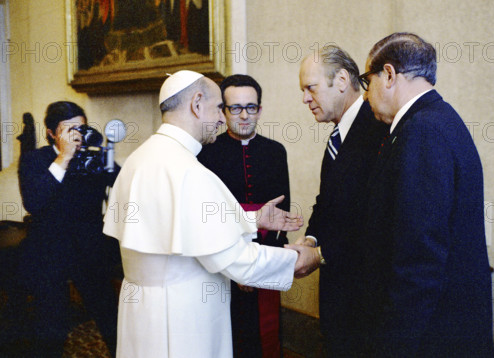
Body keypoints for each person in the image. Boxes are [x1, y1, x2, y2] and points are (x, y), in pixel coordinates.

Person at [103, 70, 307, 358]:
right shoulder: (189, 170)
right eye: (217, 108)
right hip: (183, 316)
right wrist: (299, 259)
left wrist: (252, 219)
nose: (223, 118)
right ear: (197, 104)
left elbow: (186, 222)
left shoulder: (139, 158)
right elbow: (236, 261)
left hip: (141, 312)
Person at [360, 32, 494, 357]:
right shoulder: (441, 119)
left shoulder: (422, 130)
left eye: (368, 81)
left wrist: (393, 346)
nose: (365, 96)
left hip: (431, 336)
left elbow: (420, 258)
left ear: (389, 75)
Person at [287, 45, 387, 357]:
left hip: (366, 307)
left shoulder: (377, 129)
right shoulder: (340, 133)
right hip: (338, 302)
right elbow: (327, 199)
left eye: (310, 88)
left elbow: (377, 221)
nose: (305, 99)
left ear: (342, 79)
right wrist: (311, 239)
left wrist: (319, 255)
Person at [17, 101, 120, 357]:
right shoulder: (34, 160)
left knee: (111, 320)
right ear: (51, 132)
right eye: (69, 129)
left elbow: (124, 186)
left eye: (81, 128)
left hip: (90, 251)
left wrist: (105, 156)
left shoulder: (93, 157)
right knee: (50, 326)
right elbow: (34, 201)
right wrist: (63, 157)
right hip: (48, 253)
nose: (77, 135)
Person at [198, 74, 290, 358]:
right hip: (222, 262)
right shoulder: (206, 153)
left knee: (265, 336)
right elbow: (206, 216)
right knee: (228, 336)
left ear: (260, 110)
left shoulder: (275, 152)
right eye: (235, 108)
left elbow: (281, 216)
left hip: (264, 260)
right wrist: (237, 267)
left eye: (251, 107)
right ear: (224, 112)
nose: (244, 115)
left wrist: (260, 265)